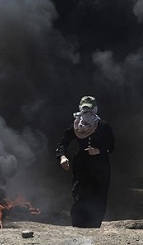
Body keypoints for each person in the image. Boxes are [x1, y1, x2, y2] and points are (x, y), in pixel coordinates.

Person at [56, 96, 115, 228]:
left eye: (90, 108)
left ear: (95, 109)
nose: (87, 111)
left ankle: (94, 224)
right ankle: (79, 224)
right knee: (80, 194)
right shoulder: (76, 126)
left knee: (99, 196)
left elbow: (111, 146)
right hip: (82, 165)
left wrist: (99, 150)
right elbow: (63, 142)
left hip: (100, 166)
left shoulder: (103, 126)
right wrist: (62, 156)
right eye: (85, 108)